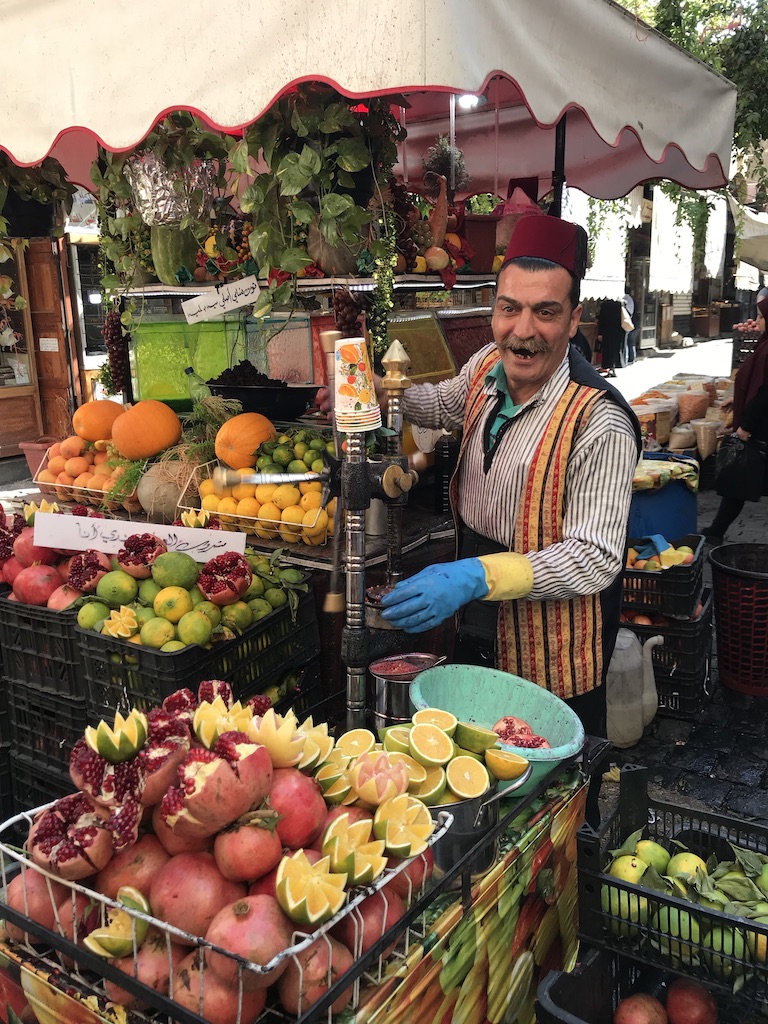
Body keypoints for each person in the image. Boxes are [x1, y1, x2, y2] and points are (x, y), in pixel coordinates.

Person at [377, 215, 641, 825]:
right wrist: (370, 393)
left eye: (546, 313)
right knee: (474, 768)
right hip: (475, 617)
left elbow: (594, 556)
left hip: (551, 636)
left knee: (547, 800)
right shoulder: (484, 371)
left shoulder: (598, 421)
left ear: (574, 320)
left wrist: (475, 575)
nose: (523, 332)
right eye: (508, 309)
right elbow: (439, 404)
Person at [704, 295, 768, 544]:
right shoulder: (763, 344)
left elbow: (764, 393)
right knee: (738, 483)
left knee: (739, 480)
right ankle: (716, 531)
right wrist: (736, 400)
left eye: (762, 317)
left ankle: (716, 531)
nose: (759, 321)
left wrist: (745, 426)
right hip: (758, 425)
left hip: (759, 429)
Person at [596, 298, 624, 377]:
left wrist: (600, 333)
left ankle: (607, 367)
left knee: (607, 350)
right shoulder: (619, 303)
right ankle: (612, 368)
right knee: (614, 350)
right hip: (617, 332)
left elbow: (602, 319)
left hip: (607, 332)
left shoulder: (605, 304)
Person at [623, 288, 637, 365]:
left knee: (626, 341)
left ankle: (626, 358)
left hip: (627, 322)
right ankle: (632, 358)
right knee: (631, 342)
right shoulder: (631, 299)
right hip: (632, 322)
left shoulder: (625, 298)